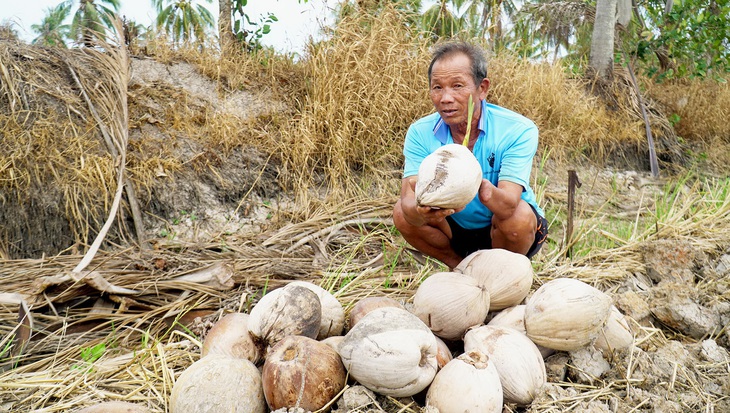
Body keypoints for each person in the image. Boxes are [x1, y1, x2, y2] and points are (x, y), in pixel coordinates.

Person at [392, 41, 548, 270]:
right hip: (455, 229)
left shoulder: (518, 129)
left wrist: (479, 186)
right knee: (400, 214)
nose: (446, 98)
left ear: (482, 88)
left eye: (457, 86)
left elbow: (507, 207)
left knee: (519, 218)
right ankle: (460, 269)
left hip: (507, 230)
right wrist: (421, 211)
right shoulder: (419, 132)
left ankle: (498, 275)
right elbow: (408, 203)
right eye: (437, 87)